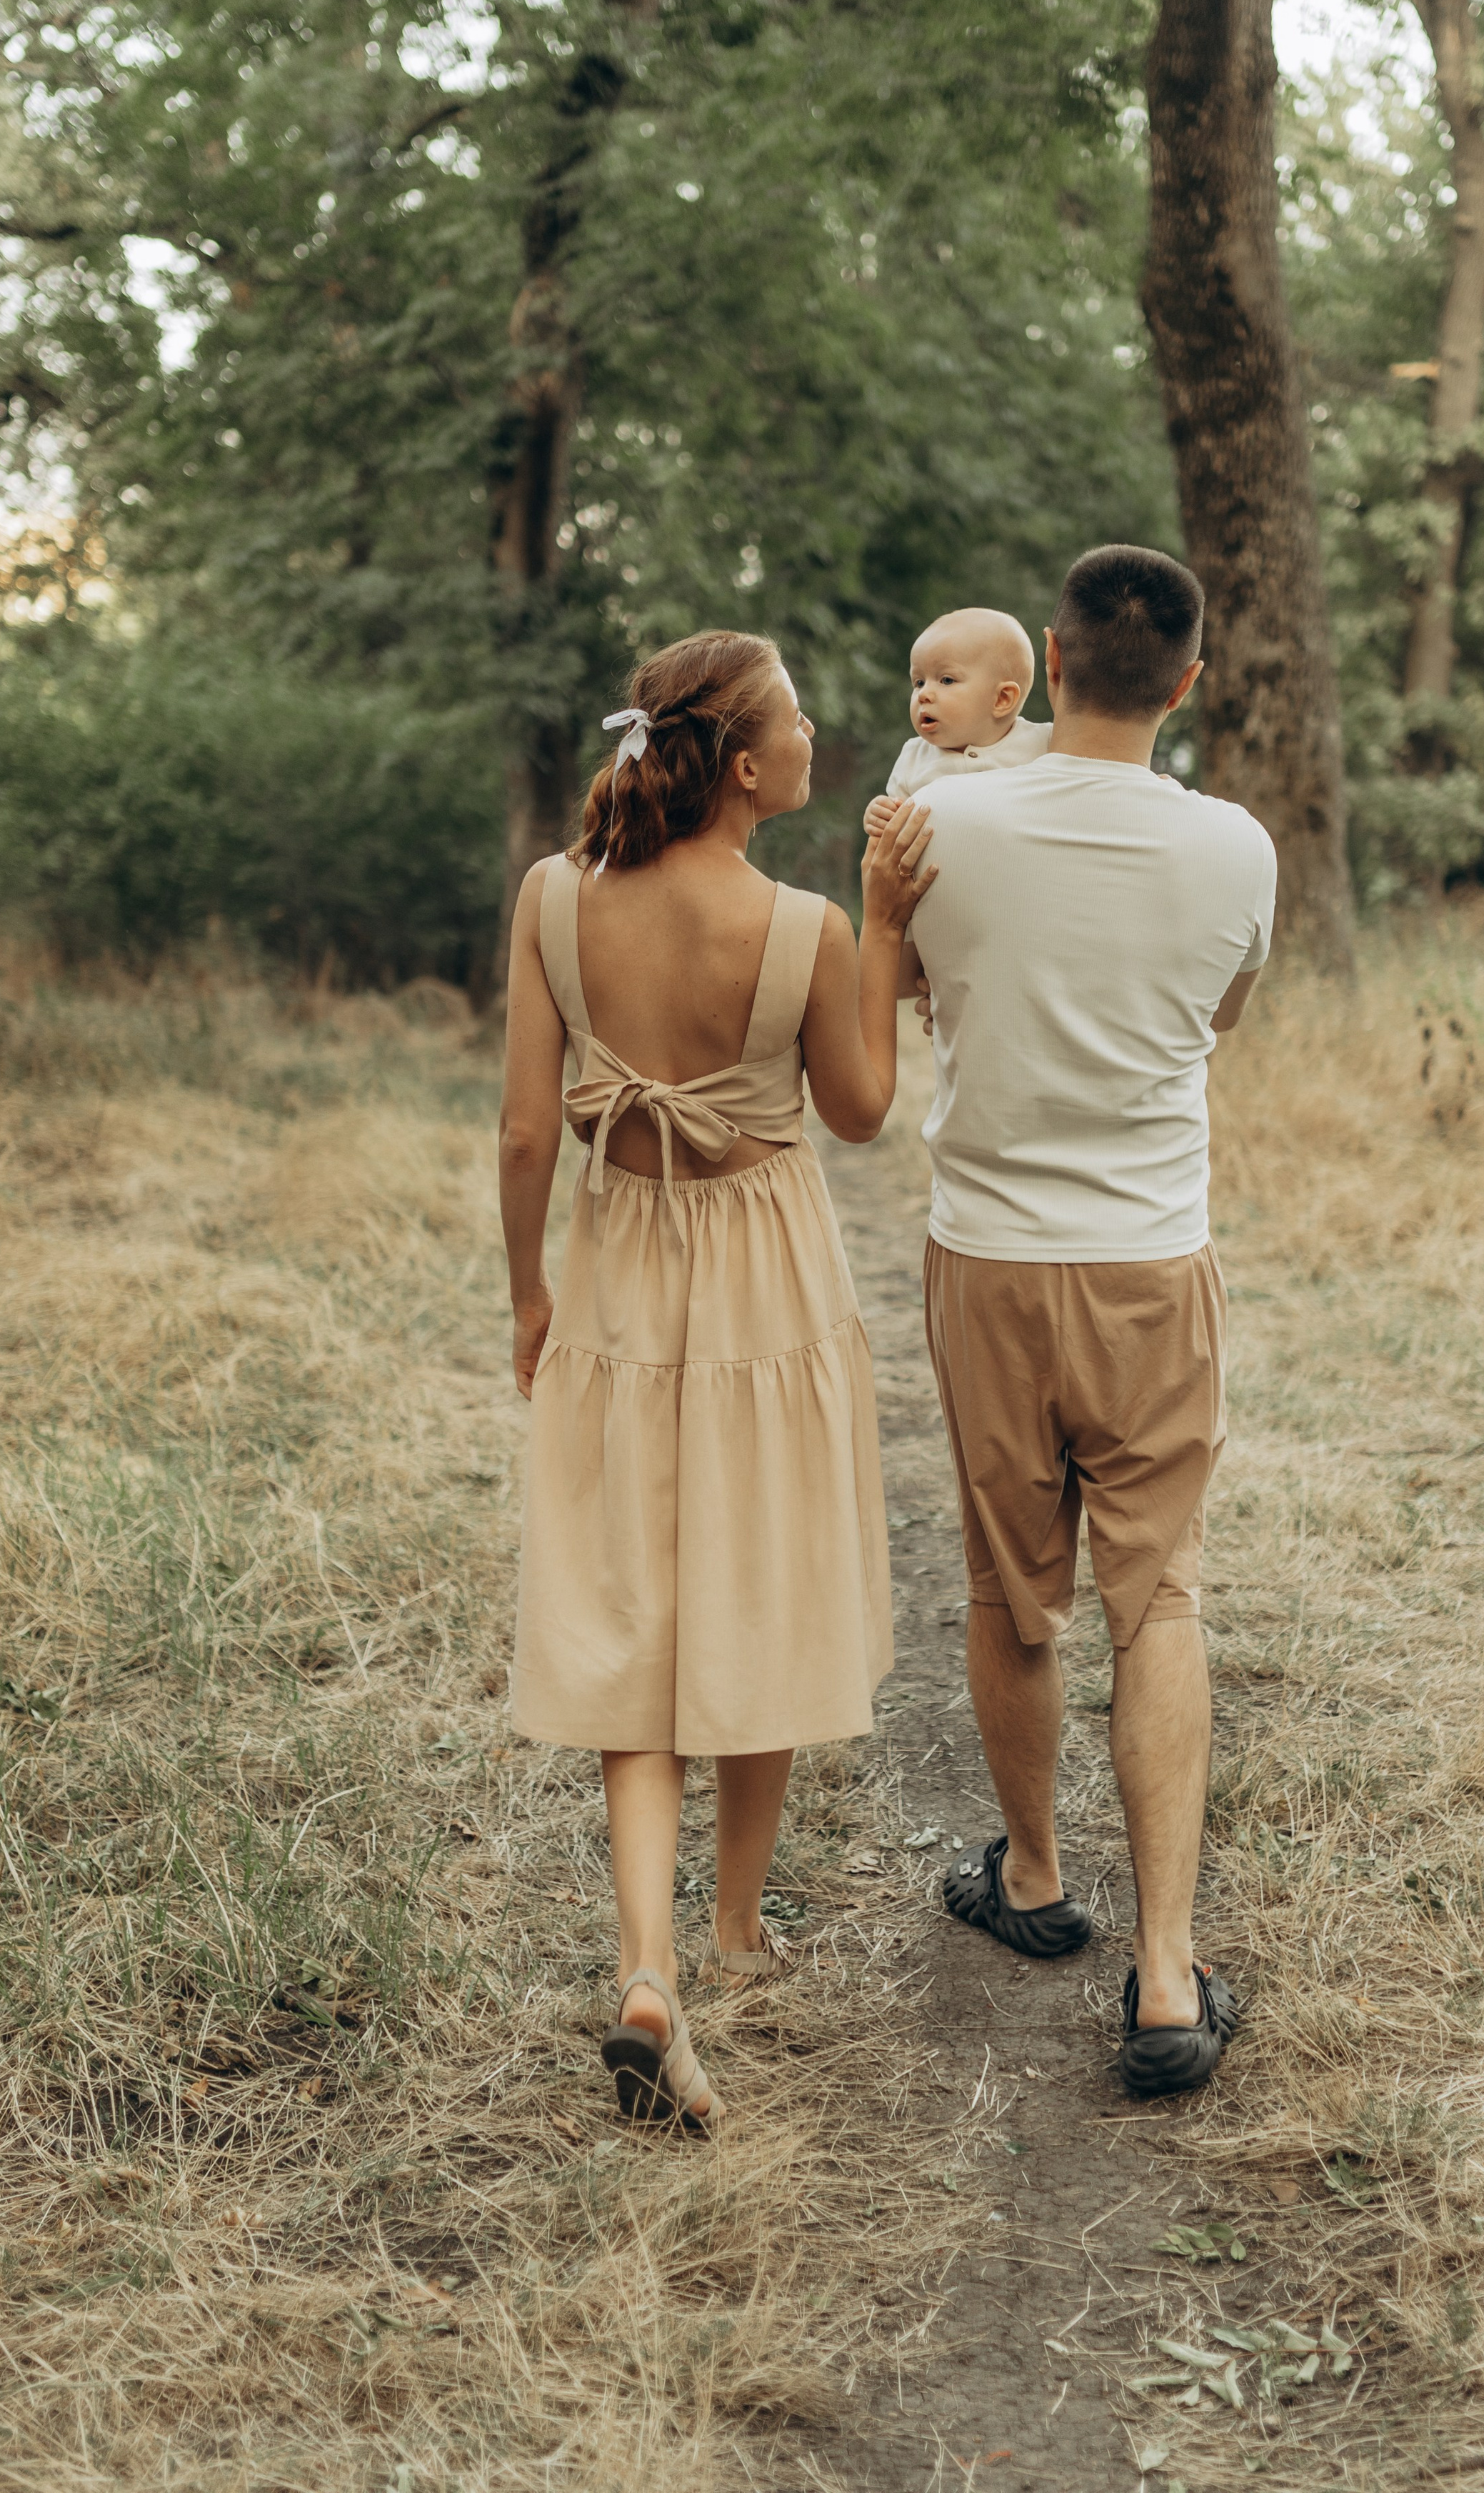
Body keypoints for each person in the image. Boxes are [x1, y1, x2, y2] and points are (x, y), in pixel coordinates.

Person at [498, 628, 936, 2132]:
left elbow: (518, 1136)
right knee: (756, 1589)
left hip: (618, 1265)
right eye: (800, 717)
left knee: (634, 1617)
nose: (819, 734)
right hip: (762, 1276)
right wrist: (883, 924)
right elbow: (864, 1112)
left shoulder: (555, 900)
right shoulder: (805, 923)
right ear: (745, 764)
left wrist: (527, 1290)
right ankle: (737, 1930)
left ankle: (650, 1963)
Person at [903, 545, 1275, 2098]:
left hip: (986, 1257)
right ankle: (1170, 1979)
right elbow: (1220, 1021)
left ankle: (1039, 1884)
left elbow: (915, 996)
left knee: (1009, 1587)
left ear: (1047, 664)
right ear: (1184, 682)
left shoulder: (935, 824)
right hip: (1146, 1261)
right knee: (1157, 1600)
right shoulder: (1234, 847)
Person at [862, 608, 1051, 841]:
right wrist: (879, 815)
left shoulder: (1044, 745)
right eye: (919, 682)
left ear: (1002, 699)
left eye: (946, 680)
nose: (924, 694)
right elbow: (893, 829)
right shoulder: (913, 758)